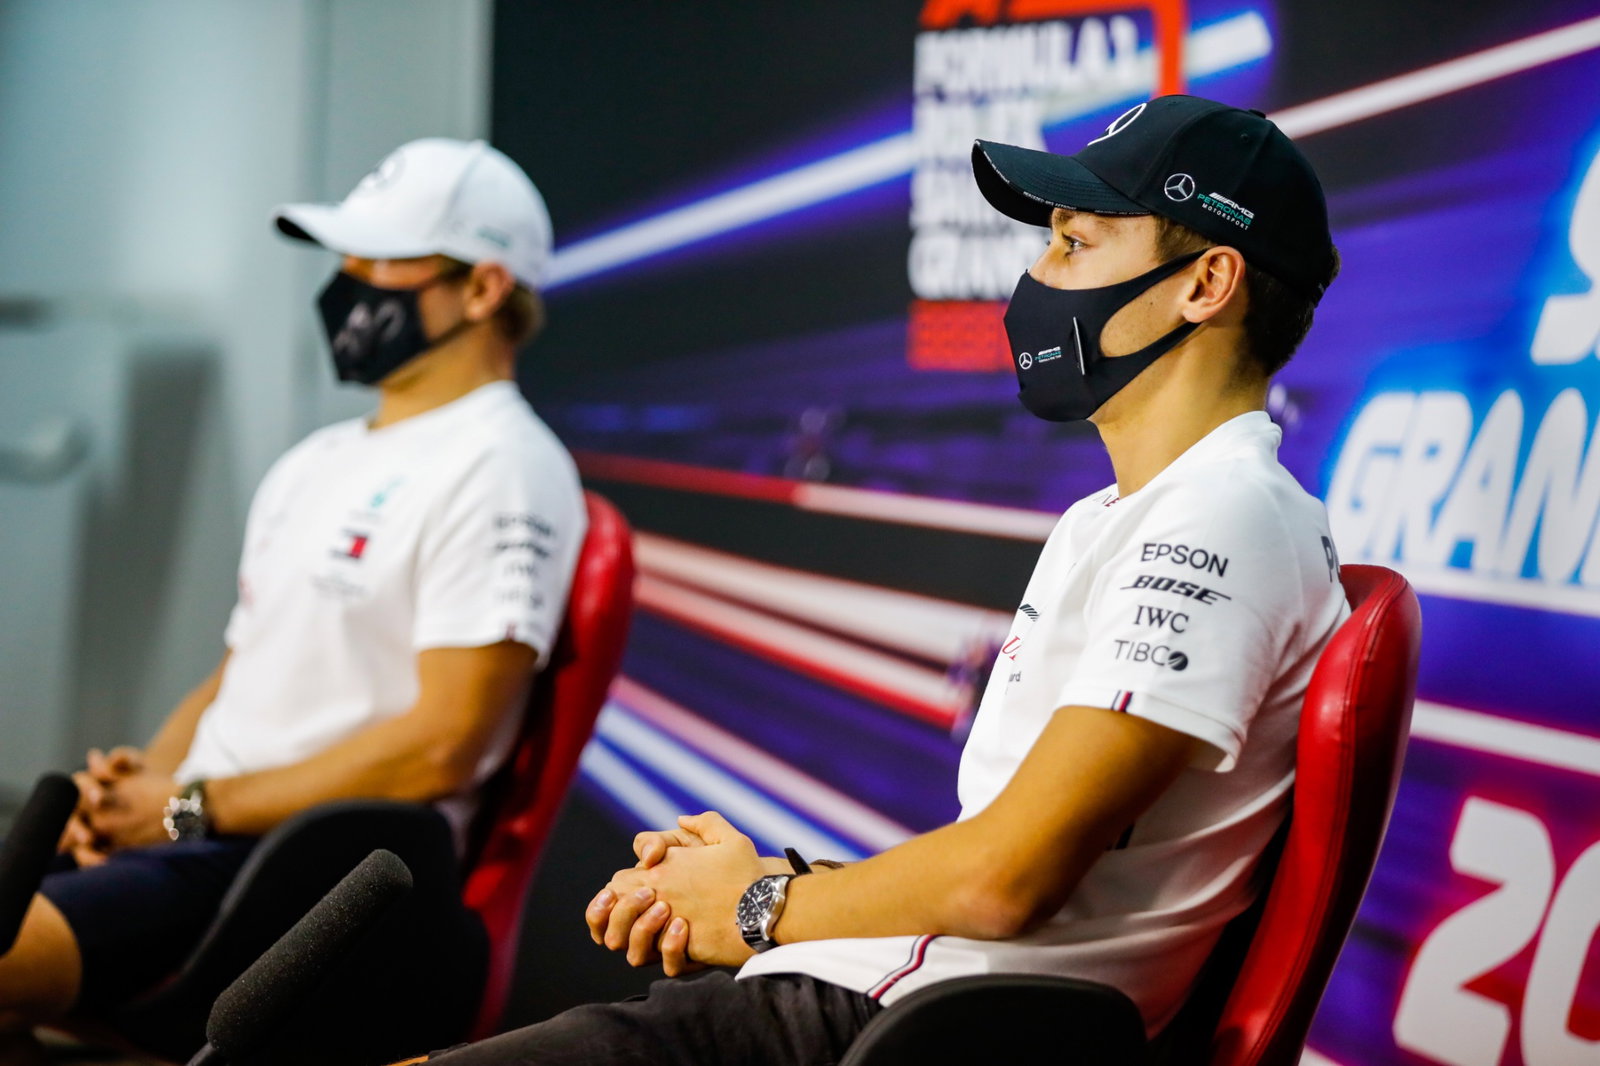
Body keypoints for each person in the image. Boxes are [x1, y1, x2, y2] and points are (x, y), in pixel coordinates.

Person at [408, 95, 1348, 1066]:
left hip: (905, 1030)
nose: (1034, 276)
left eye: (1074, 243)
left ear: (1207, 282)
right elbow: (1009, 865)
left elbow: (1004, 879)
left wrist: (757, 905)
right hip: (882, 1000)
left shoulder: (1225, 513)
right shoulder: (1126, 513)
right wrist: (778, 875)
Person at [0, 138, 586, 1045]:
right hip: (206, 843)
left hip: (303, 873)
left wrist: (188, 807)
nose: (348, 284)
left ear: (482, 290)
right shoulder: (315, 463)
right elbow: (239, 672)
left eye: (379, 261)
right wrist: (141, 790)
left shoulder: (505, 464)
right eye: (343, 260)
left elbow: (445, 744)